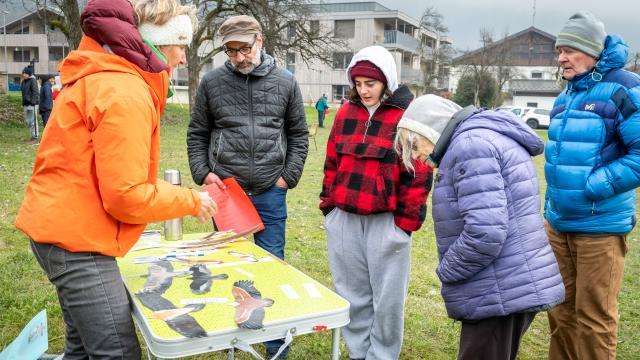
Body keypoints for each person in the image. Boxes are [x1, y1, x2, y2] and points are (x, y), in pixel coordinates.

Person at [15, 0, 217, 358]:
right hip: (77, 242)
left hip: (62, 229)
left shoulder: (106, 77)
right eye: (180, 47)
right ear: (154, 44)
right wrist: (190, 200)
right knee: (116, 351)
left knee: (79, 345)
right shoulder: (123, 91)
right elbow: (127, 196)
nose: (184, 59)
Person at [394, 94, 565, 360]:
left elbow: (485, 232)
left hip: (500, 289)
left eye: (413, 145)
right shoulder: (481, 137)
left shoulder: (469, 146)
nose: (415, 155)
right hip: (508, 283)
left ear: (430, 129)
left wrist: (447, 270)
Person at [187, 14, 308, 359]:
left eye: (245, 48)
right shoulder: (211, 83)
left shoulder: (286, 82)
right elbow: (197, 133)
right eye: (231, 51)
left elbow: (298, 134)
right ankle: (234, 344)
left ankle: (275, 348)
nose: (240, 57)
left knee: (271, 267)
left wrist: (288, 177)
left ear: (260, 39)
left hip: (271, 190)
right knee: (231, 270)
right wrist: (203, 172)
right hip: (227, 194)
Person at [319, 45, 432, 360]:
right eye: (357, 84)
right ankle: (358, 353)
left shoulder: (407, 117)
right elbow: (331, 164)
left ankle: (382, 355)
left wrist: (404, 226)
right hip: (344, 218)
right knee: (352, 295)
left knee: (387, 299)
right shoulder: (344, 114)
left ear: (386, 80)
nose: (363, 90)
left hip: (387, 222)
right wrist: (329, 208)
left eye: (370, 83)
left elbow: (418, 174)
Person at [544, 11, 640, 360]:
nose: (561, 58)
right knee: (560, 313)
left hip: (599, 226)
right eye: (559, 51)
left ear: (592, 51)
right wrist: (550, 209)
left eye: (569, 50)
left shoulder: (623, 87)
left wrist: (594, 186)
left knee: (594, 319)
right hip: (558, 225)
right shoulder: (564, 97)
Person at [20, 66, 39, 143]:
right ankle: (32, 136)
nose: (24, 75)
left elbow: (35, 92)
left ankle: (35, 137)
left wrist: (33, 102)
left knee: (33, 121)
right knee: (28, 121)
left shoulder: (33, 80)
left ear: (29, 74)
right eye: (23, 73)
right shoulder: (23, 81)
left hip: (32, 104)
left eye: (26, 73)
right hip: (25, 104)